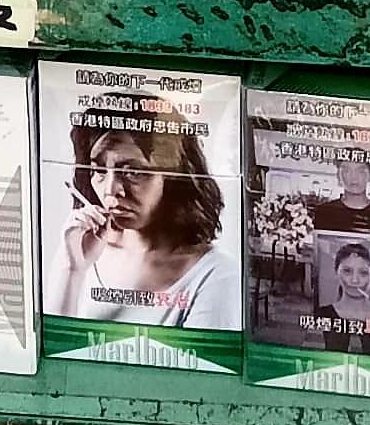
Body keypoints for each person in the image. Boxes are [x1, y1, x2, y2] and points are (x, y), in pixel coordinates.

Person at [49, 99, 236, 330]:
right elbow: (55, 348)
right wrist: (73, 270)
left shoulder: (215, 274)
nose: (111, 190)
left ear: (174, 176)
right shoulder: (78, 249)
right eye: (98, 170)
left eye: (133, 172)